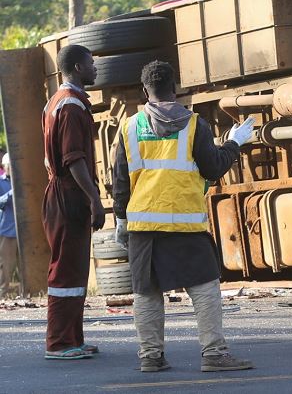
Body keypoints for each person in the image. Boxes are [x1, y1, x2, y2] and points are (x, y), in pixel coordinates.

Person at [112, 60, 255, 373]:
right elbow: (213, 168)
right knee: (204, 287)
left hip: (143, 224)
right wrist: (235, 142)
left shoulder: (129, 126)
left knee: (147, 293)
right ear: (174, 88)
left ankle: (150, 357)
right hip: (185, 222)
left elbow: (120, 181)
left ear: (144, 91)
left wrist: (121, 221)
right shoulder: (194, 125)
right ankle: (214, 354)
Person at [41, 44, 104, 360]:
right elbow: (74, 159)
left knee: (74, 269)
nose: (95, 68)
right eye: (91, 64)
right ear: (78, 68)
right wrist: (94, 199)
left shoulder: (57, 102)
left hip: (63, 193)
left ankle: (73, 339)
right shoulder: (71, 107)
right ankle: (59, 343)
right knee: (65, 271)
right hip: (69, 195)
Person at [0, 153, 17, 298]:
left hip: (23, 231)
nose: (11, 168)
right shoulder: (1, 183)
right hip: (8, 230)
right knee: (6, 265)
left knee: (24, 266)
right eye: (9, 166)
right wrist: (11, 193)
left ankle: (26, 292)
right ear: (4, 166)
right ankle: (3, 293)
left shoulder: (21, 180)